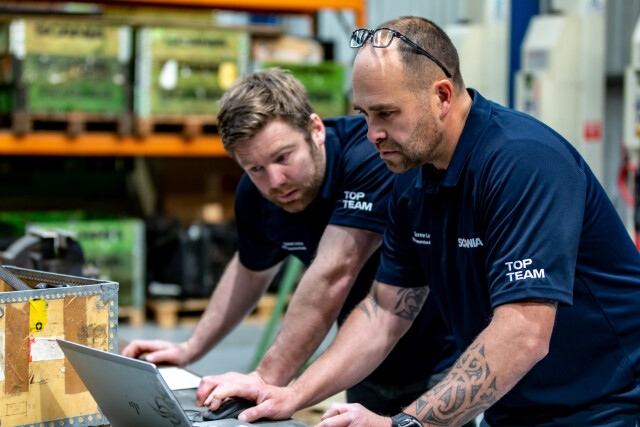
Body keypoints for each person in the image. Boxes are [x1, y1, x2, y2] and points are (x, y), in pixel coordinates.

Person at [207, 17, 640, 427]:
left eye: (386, 113)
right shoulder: (410, 180)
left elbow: (524, 331)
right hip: (514, 411)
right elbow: (384, 312)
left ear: (443, 96)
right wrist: (290, 394)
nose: (372, 133)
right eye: (364, 115)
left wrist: (404, 422)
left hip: (612, 405)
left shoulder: (523, 162)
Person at [121, 68, 460, 416]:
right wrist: (190, 347)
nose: (275, 181)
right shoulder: (256, 194)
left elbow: (335, 272)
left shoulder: (372, 156)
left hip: (438, 361)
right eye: (255, 168)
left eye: (283, 157)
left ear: (316, 130)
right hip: (360, 361)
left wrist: (266, 377)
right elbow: (249, 271)